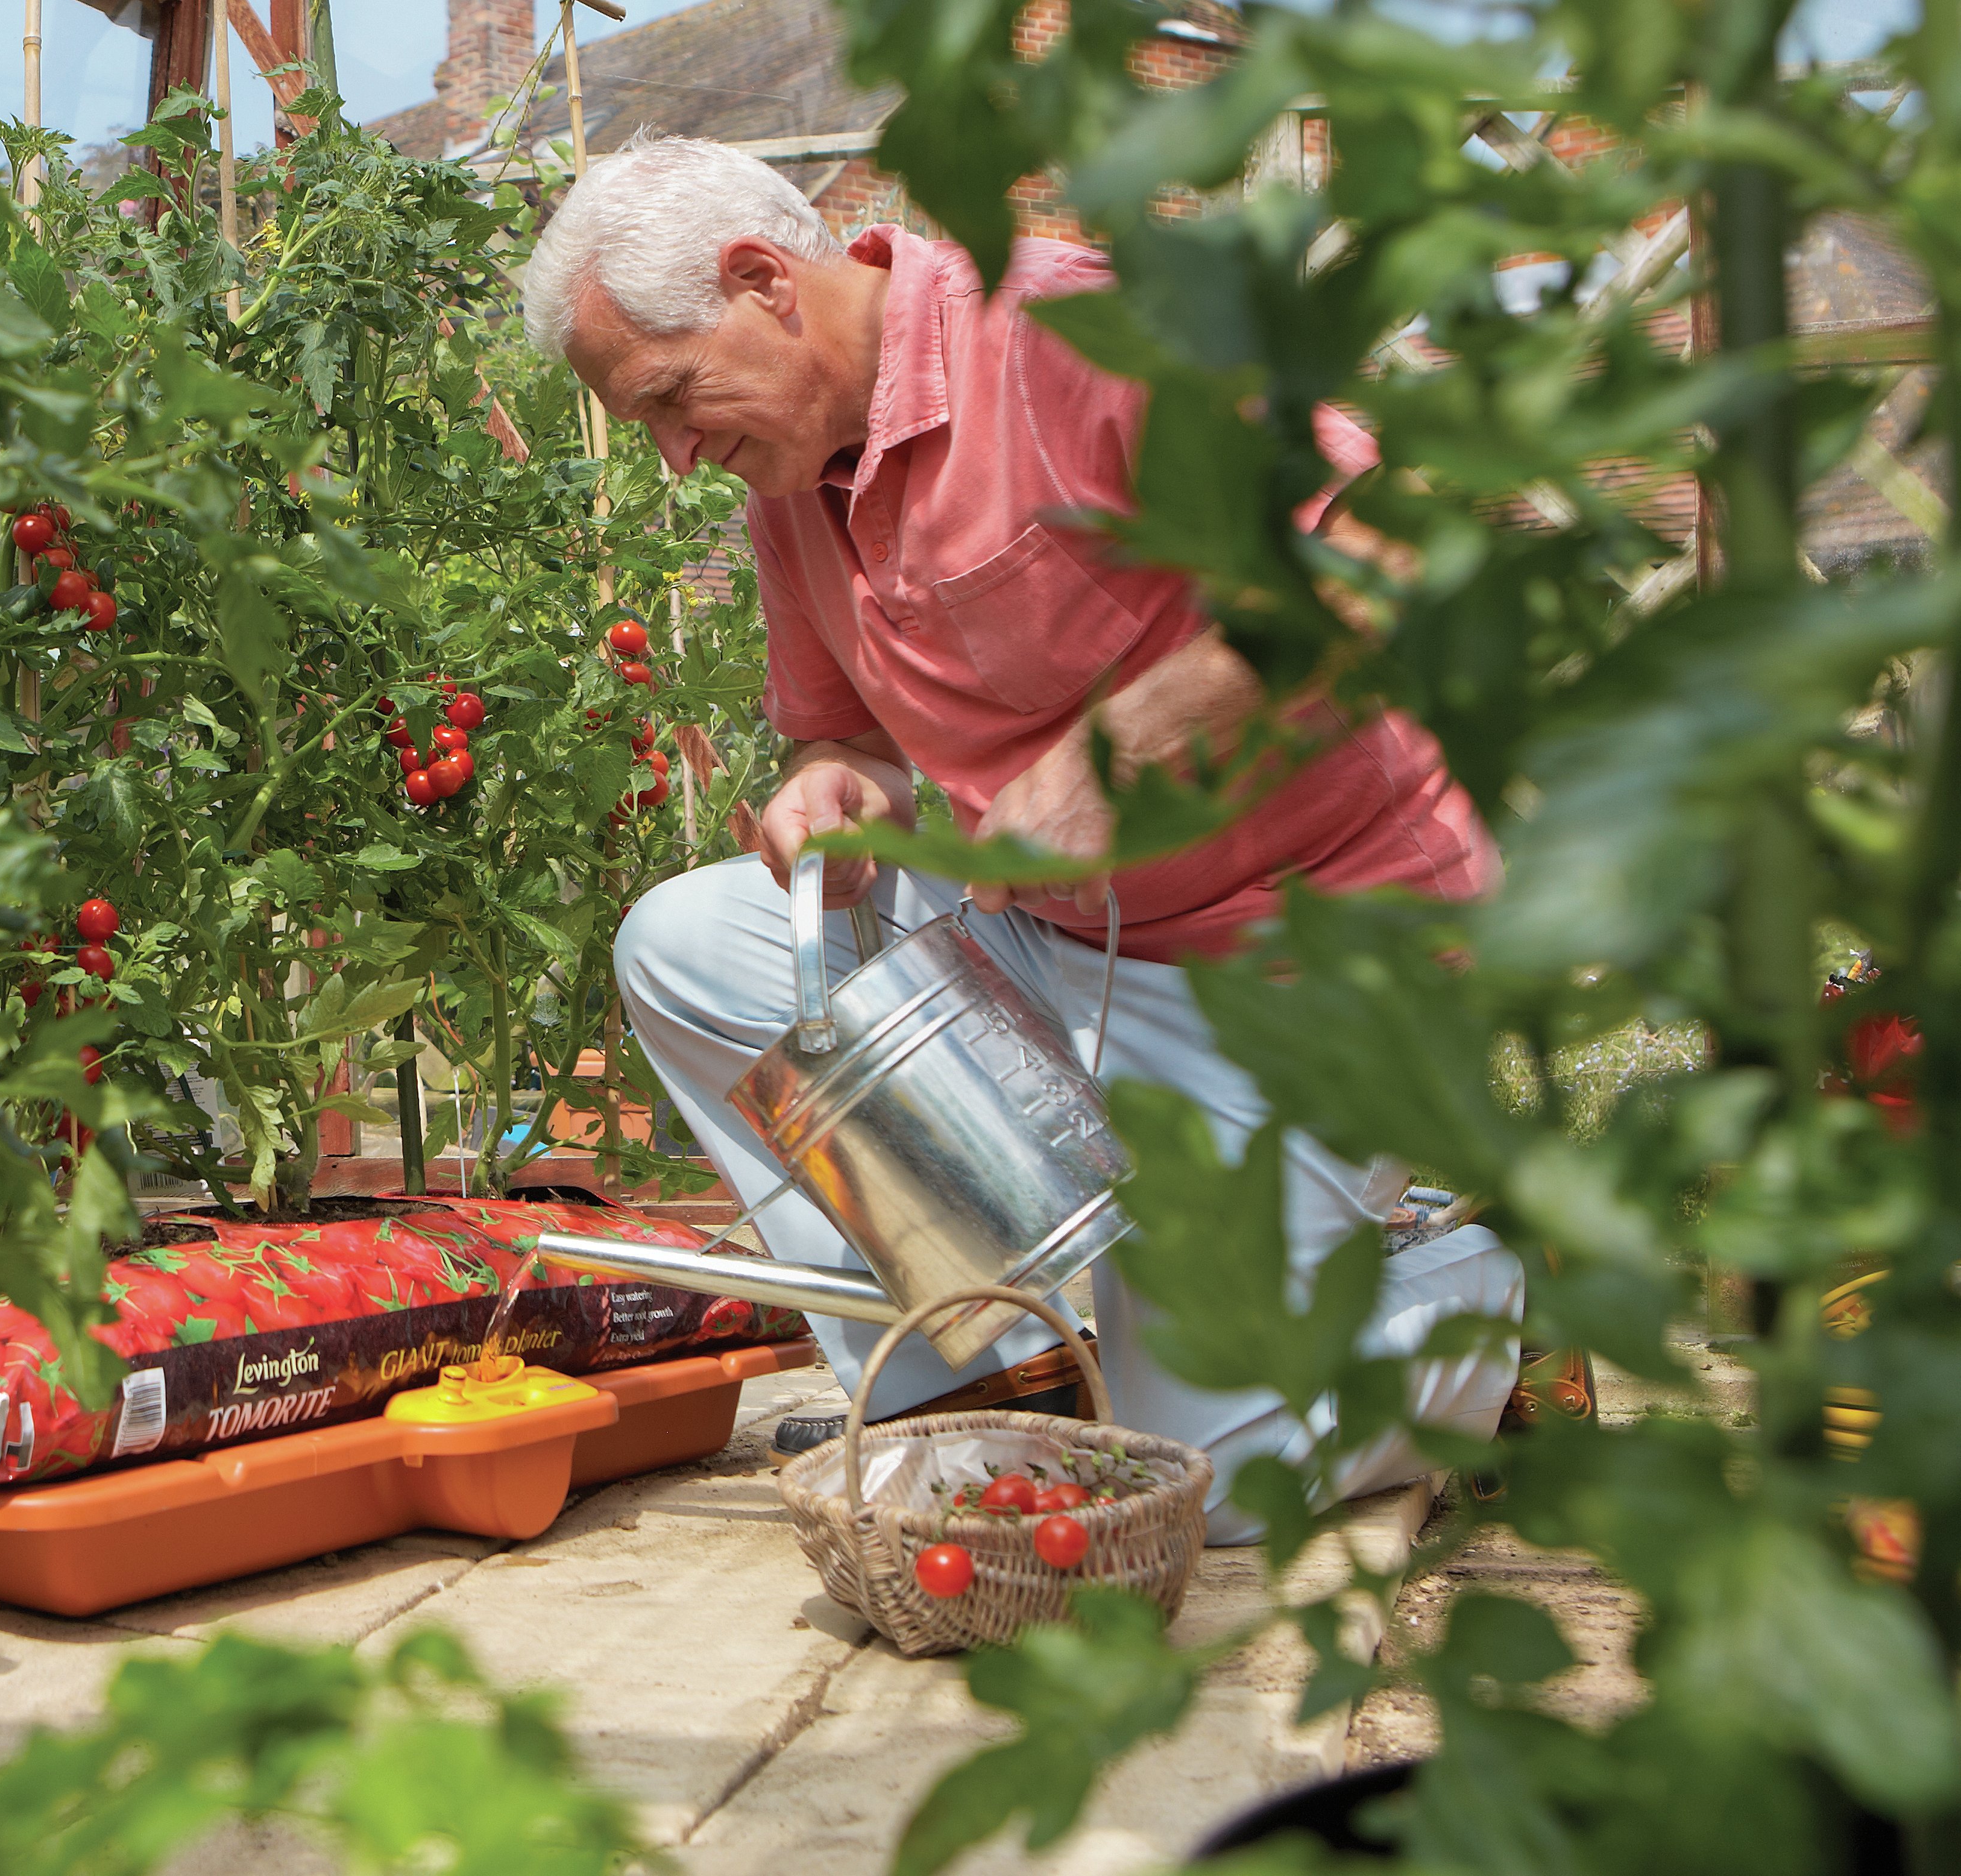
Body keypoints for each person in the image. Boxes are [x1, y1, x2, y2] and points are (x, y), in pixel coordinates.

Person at [525, 133, 1521, 1542]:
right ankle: (981, 1379)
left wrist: (1129, 742)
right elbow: (844, 739)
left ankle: (1486, 1305)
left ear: (762, 281)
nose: (676, 455)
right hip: (1052, 943)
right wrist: (834, 787)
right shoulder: (790, 482)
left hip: (1309, 949)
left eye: (673, 398)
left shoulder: (1075, 331)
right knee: (690, 942)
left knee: (1218, 1475)